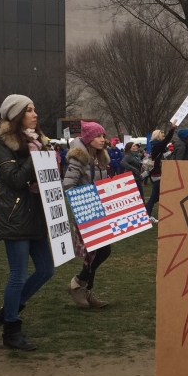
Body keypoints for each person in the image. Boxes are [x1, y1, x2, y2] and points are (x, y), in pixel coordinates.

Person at [0, 94, 55, 351]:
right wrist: (35, 157)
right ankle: (11, 330)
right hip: (15, 216)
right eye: (29, 110)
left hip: (37, 214)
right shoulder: (2, 144)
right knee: (17, 275)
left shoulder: (39, 141)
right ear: (16, 116)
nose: (35, 114)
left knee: (46, 270)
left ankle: (10, 309)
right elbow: (15, 179)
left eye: (34, 109)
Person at [63, 122, 113, 309]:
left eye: (103, 136)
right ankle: (79, 284)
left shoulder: (100, 157)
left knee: (99, 251)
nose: (103, 139)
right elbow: (68, 184)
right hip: (86, 210)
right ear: (89, 138)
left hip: (99, 210)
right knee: (97, 252)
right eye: (98, 136)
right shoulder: (79, 158)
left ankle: (84, 288)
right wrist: (84, 199)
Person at [144, 127, 175, 223]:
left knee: (156, 195)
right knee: (154, 195)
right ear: (158, 136)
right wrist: (172, 129)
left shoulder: (154, 146)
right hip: (156, 173)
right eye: (162, 135)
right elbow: (166, 140)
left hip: (155, 172)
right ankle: (148, 214)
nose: (164, 137)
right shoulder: (157, 146)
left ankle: (146, 210)